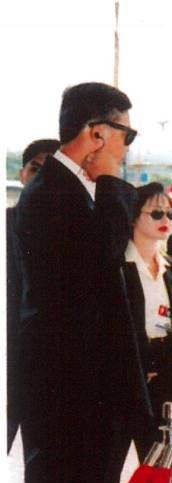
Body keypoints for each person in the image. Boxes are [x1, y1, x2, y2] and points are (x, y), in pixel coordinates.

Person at [11, 81, 148, 483]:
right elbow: (95, 265)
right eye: (124, 134)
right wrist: (116, 190)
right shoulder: (52, 197)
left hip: (91, 396)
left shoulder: (79, 192)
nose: (127, 149)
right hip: (64, 395)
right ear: (94, 133)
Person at [101, 182, 172, 483]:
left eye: (170, 214)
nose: (165, 221)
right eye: (156, 214)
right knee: (105, 479)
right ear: (134, 218)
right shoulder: (118, 267)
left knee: (159, 480)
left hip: (162, 388)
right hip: (121, 387)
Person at [7, 138, 60, 452]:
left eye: (50, 172)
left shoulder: (71, 238)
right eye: (35, 169)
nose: (41, 179)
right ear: (21, 173)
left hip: (41, 377)